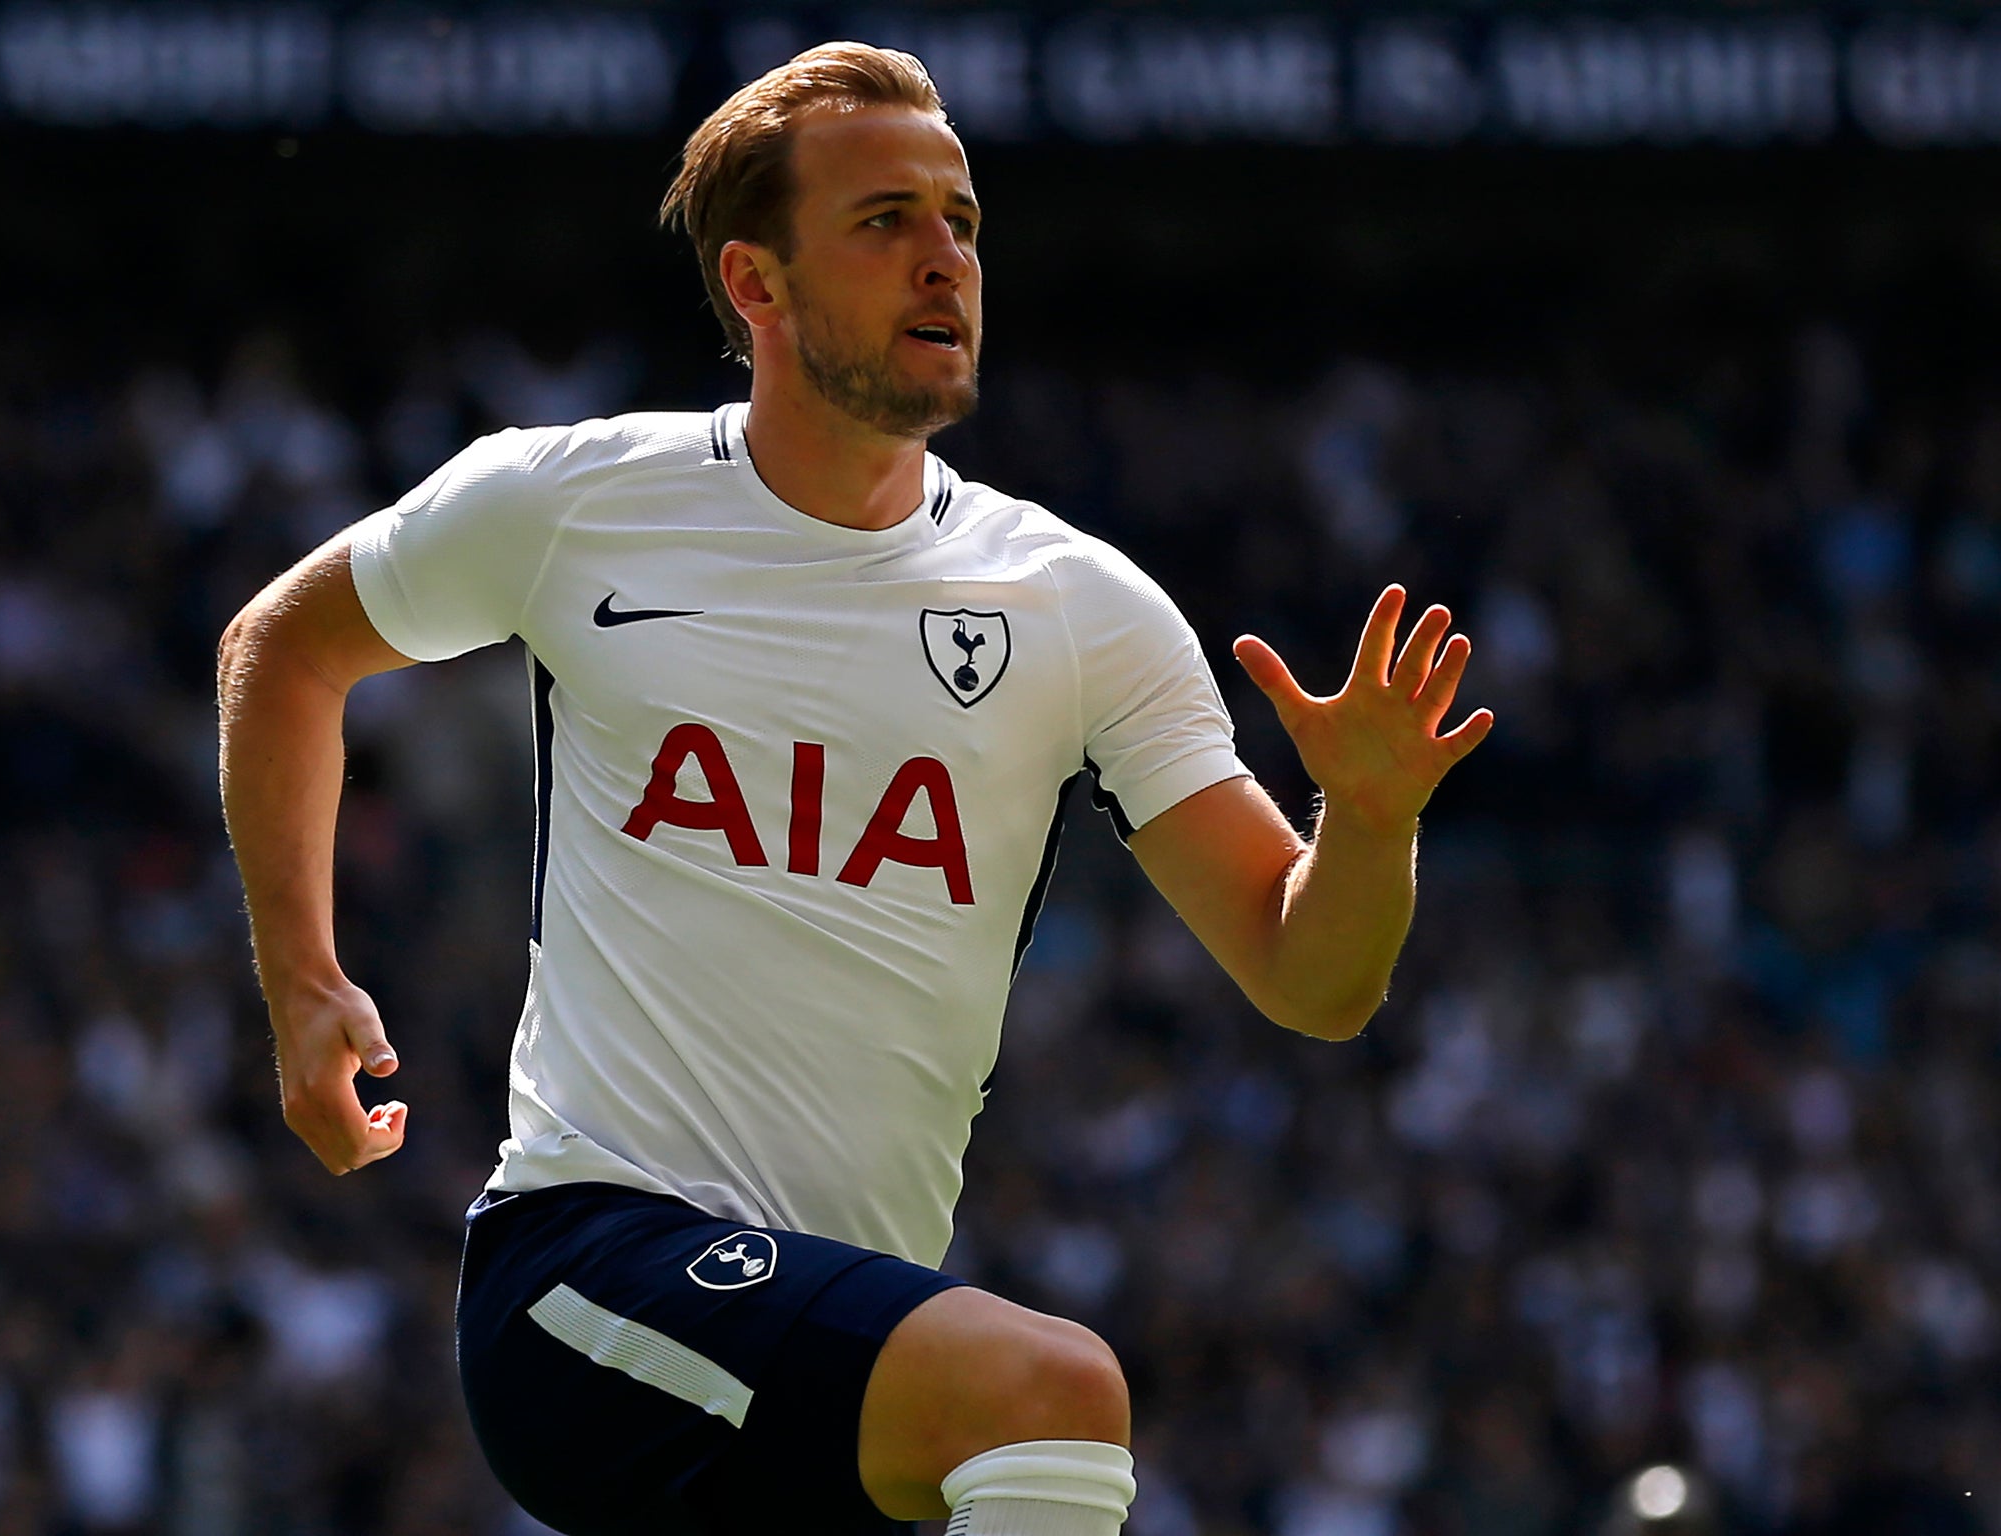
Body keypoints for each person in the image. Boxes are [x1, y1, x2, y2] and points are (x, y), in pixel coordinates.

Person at [215, 42, 1492, 1536]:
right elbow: (284, 649)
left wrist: (1375, 819)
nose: (944, 258)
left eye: (959, 219)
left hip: (828, 1356)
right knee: (1051, 1393)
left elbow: (1313, 977)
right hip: (582, 1274)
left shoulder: (1084, 608)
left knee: (1008, 1411)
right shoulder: (576, 500)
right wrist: (303, 983)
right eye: (886, 220)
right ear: (756, 287)